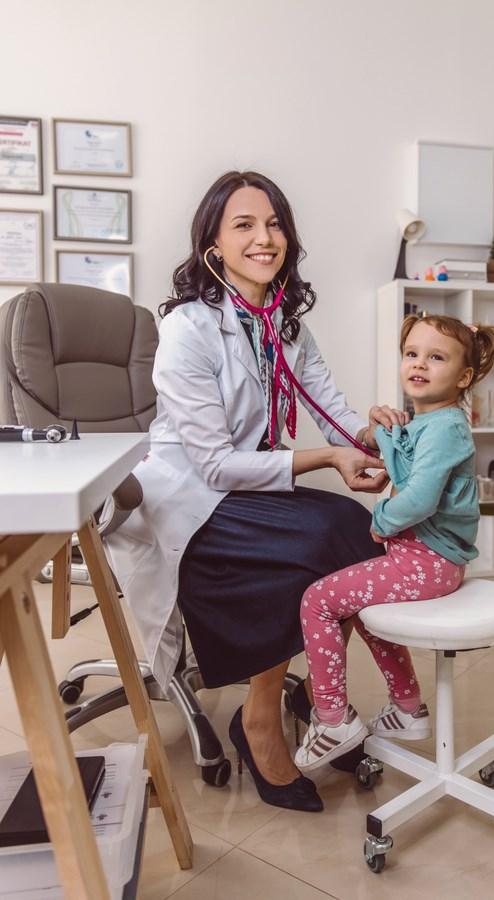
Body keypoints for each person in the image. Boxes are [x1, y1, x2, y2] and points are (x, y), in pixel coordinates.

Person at [104, 170, 408, 813]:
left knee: (355, 533)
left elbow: (329, 408)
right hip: (189, 499)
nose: (264, 238)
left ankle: (326, 704)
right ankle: (260, 719)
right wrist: (329, 457)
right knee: (317, 543)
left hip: (249, 490)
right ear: (213, 244)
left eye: (273, 224)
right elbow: (215, 465)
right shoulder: (188, 328)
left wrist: (370, 432)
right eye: (243, 225)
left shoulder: (287, 327)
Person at [295, 314, 494, 770]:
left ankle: (332, 719)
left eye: (436, 357)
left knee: (317, 601)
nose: (419, 364)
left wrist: (382, 521)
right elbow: (398, 450)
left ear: (463, 377)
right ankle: (407, 707)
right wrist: (376, 428)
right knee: (363, 608)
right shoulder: (427, 421)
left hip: (428, 562)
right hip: (426, 559)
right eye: (412, 354)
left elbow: (421, 498)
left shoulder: (445, 429)